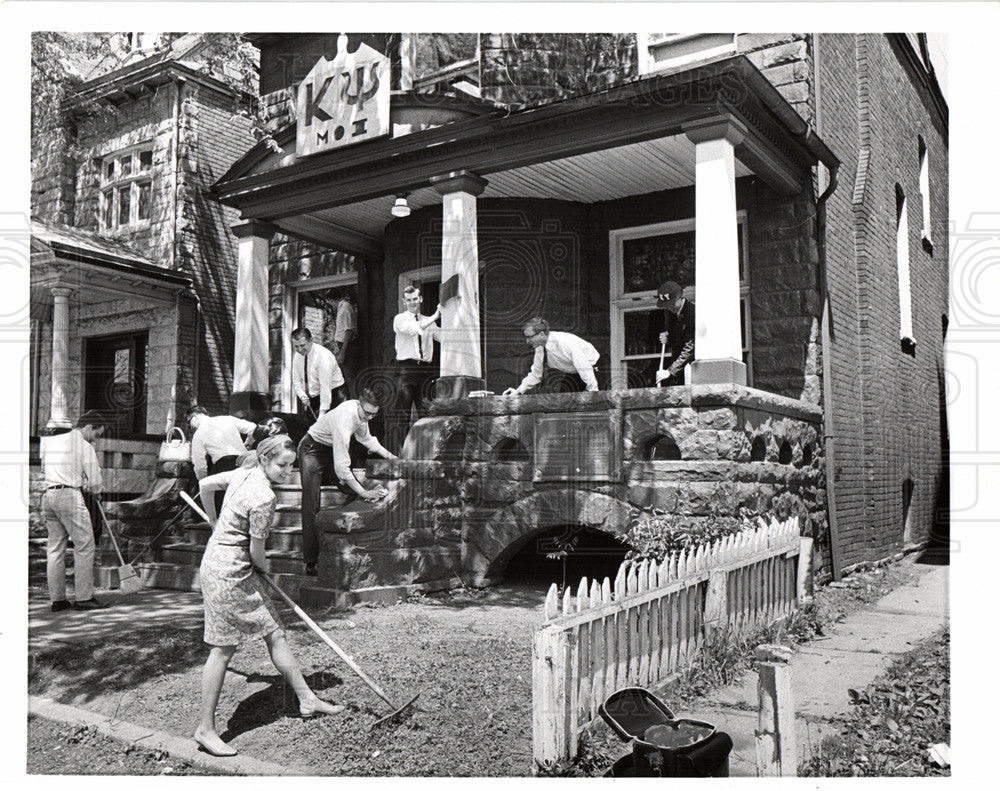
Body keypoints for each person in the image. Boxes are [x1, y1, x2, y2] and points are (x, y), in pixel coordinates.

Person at [194, 435, 345, 757]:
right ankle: (205, 729)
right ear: (263, 459)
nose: (287, 472)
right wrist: (263, 569)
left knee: (275, 633)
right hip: (228, 573)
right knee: (223, 649)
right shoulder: (263, 495)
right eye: (281, 465)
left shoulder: (242, 472)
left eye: (292, 465)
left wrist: (214, 521)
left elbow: (206, 484)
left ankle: (306, 698)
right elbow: (256, 551)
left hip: (229, 564)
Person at [297, 387, 397, 577]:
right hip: (311, 450)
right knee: (311, 503)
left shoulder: (362, 415)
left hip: (328, 450)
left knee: (351, 490)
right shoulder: (346, 417)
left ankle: (346, 541)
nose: (369, 418)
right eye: (367, 413)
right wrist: (365, 493)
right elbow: (342, 468)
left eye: (373, 415)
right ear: (359, 404)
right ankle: (312, 561)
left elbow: (365, 438)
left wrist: (390, 456)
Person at [40, 410, 108, 612]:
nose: (96, 440)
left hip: (48, 495)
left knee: (55, 548)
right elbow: (95, 479)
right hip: (69, 496)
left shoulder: (50, 442)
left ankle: (58, 600)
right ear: (89, 428)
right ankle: (84, 597)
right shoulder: (84, 445)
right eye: (97, 434)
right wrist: (97, 491)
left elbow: (45, 468)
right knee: (85, 544)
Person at [390, 285, 441, 451]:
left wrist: (452, 316)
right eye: (409, 300)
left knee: (426, 412)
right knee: (403, 414)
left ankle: (426, 452)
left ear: (421, 299)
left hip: (424, 370)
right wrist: (436, 315)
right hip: (406, 370)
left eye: (415, 299)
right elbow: (415, 329)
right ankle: (402, 453)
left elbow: (444, 337)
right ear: (404, 301)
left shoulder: (428, 321)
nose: (412, 303)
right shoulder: (400, 319)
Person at [502, 318, 600, 395]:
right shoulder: (540, 348)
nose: (527, 341)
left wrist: (593, 392)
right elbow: (536, 374)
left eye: (529, 337)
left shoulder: (563, 343)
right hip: (575, 372)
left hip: (593, 369)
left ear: (541, 334)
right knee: (563, 400)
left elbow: (583, 366)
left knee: (598, 402)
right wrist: (519, 391)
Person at [188, 406, 257, 514]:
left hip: (223, 466)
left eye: (189, 422)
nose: (191, 426)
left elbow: (200, 465)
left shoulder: (198, 434)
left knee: (223, 506)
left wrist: (204, 482)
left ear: (195, 417)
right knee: (246, 499)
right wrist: (249, 442)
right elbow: (254, 428)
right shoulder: (228, 419)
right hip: (245, 463)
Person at [291, 327, 348, 420]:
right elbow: (297, 381)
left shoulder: (323, 356)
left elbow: (325, 386)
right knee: (312, 428)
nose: (300, 349)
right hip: (315, 396)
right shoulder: (298, 356)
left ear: (311, 341)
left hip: (335, 394)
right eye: (296, 346)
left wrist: (322, 413)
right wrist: (302, 395)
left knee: (333, 428)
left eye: (302, 345)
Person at [648, 281, 695, 387]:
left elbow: (690, 347)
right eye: (666, 305)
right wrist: (667, 337)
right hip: (678, 365)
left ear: (680, 298)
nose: (669, 307)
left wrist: (670, 371)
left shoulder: (691, 314)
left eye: (672, 303)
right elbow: (675, 336)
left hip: (691, 367)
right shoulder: (670, 312)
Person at [332, 289, 359, 392]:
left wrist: (343, 352)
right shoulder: (342, 308)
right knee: (346, 377)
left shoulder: (345, 308)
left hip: (348, 346)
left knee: (350, 377)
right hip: (345, 345)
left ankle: (354, 401)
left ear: (332, 300)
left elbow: (349, 331)